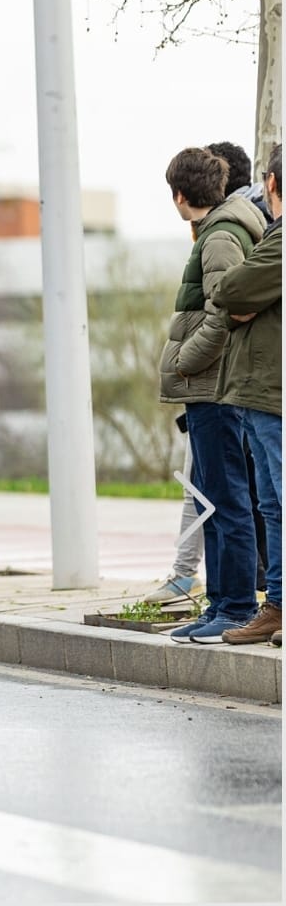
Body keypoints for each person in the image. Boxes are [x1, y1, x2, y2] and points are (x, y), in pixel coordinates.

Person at [158, 147, 266, 643]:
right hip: (211, 386)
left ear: (180, 195)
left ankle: (237, 606)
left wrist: (186, 360)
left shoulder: (220, 236)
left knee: (226, 499)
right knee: (213, 499)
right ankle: (221, 605)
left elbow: (227, 312)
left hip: (214, 386)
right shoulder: (218, 229)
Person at [220, 143, 282, 645]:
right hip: (261, 392)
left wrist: (244, 303)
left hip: (272, 390)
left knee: (279, 502)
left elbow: (230, 292)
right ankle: (278, 605)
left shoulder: (280, 240)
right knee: (271, 507)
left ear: (270, 184)